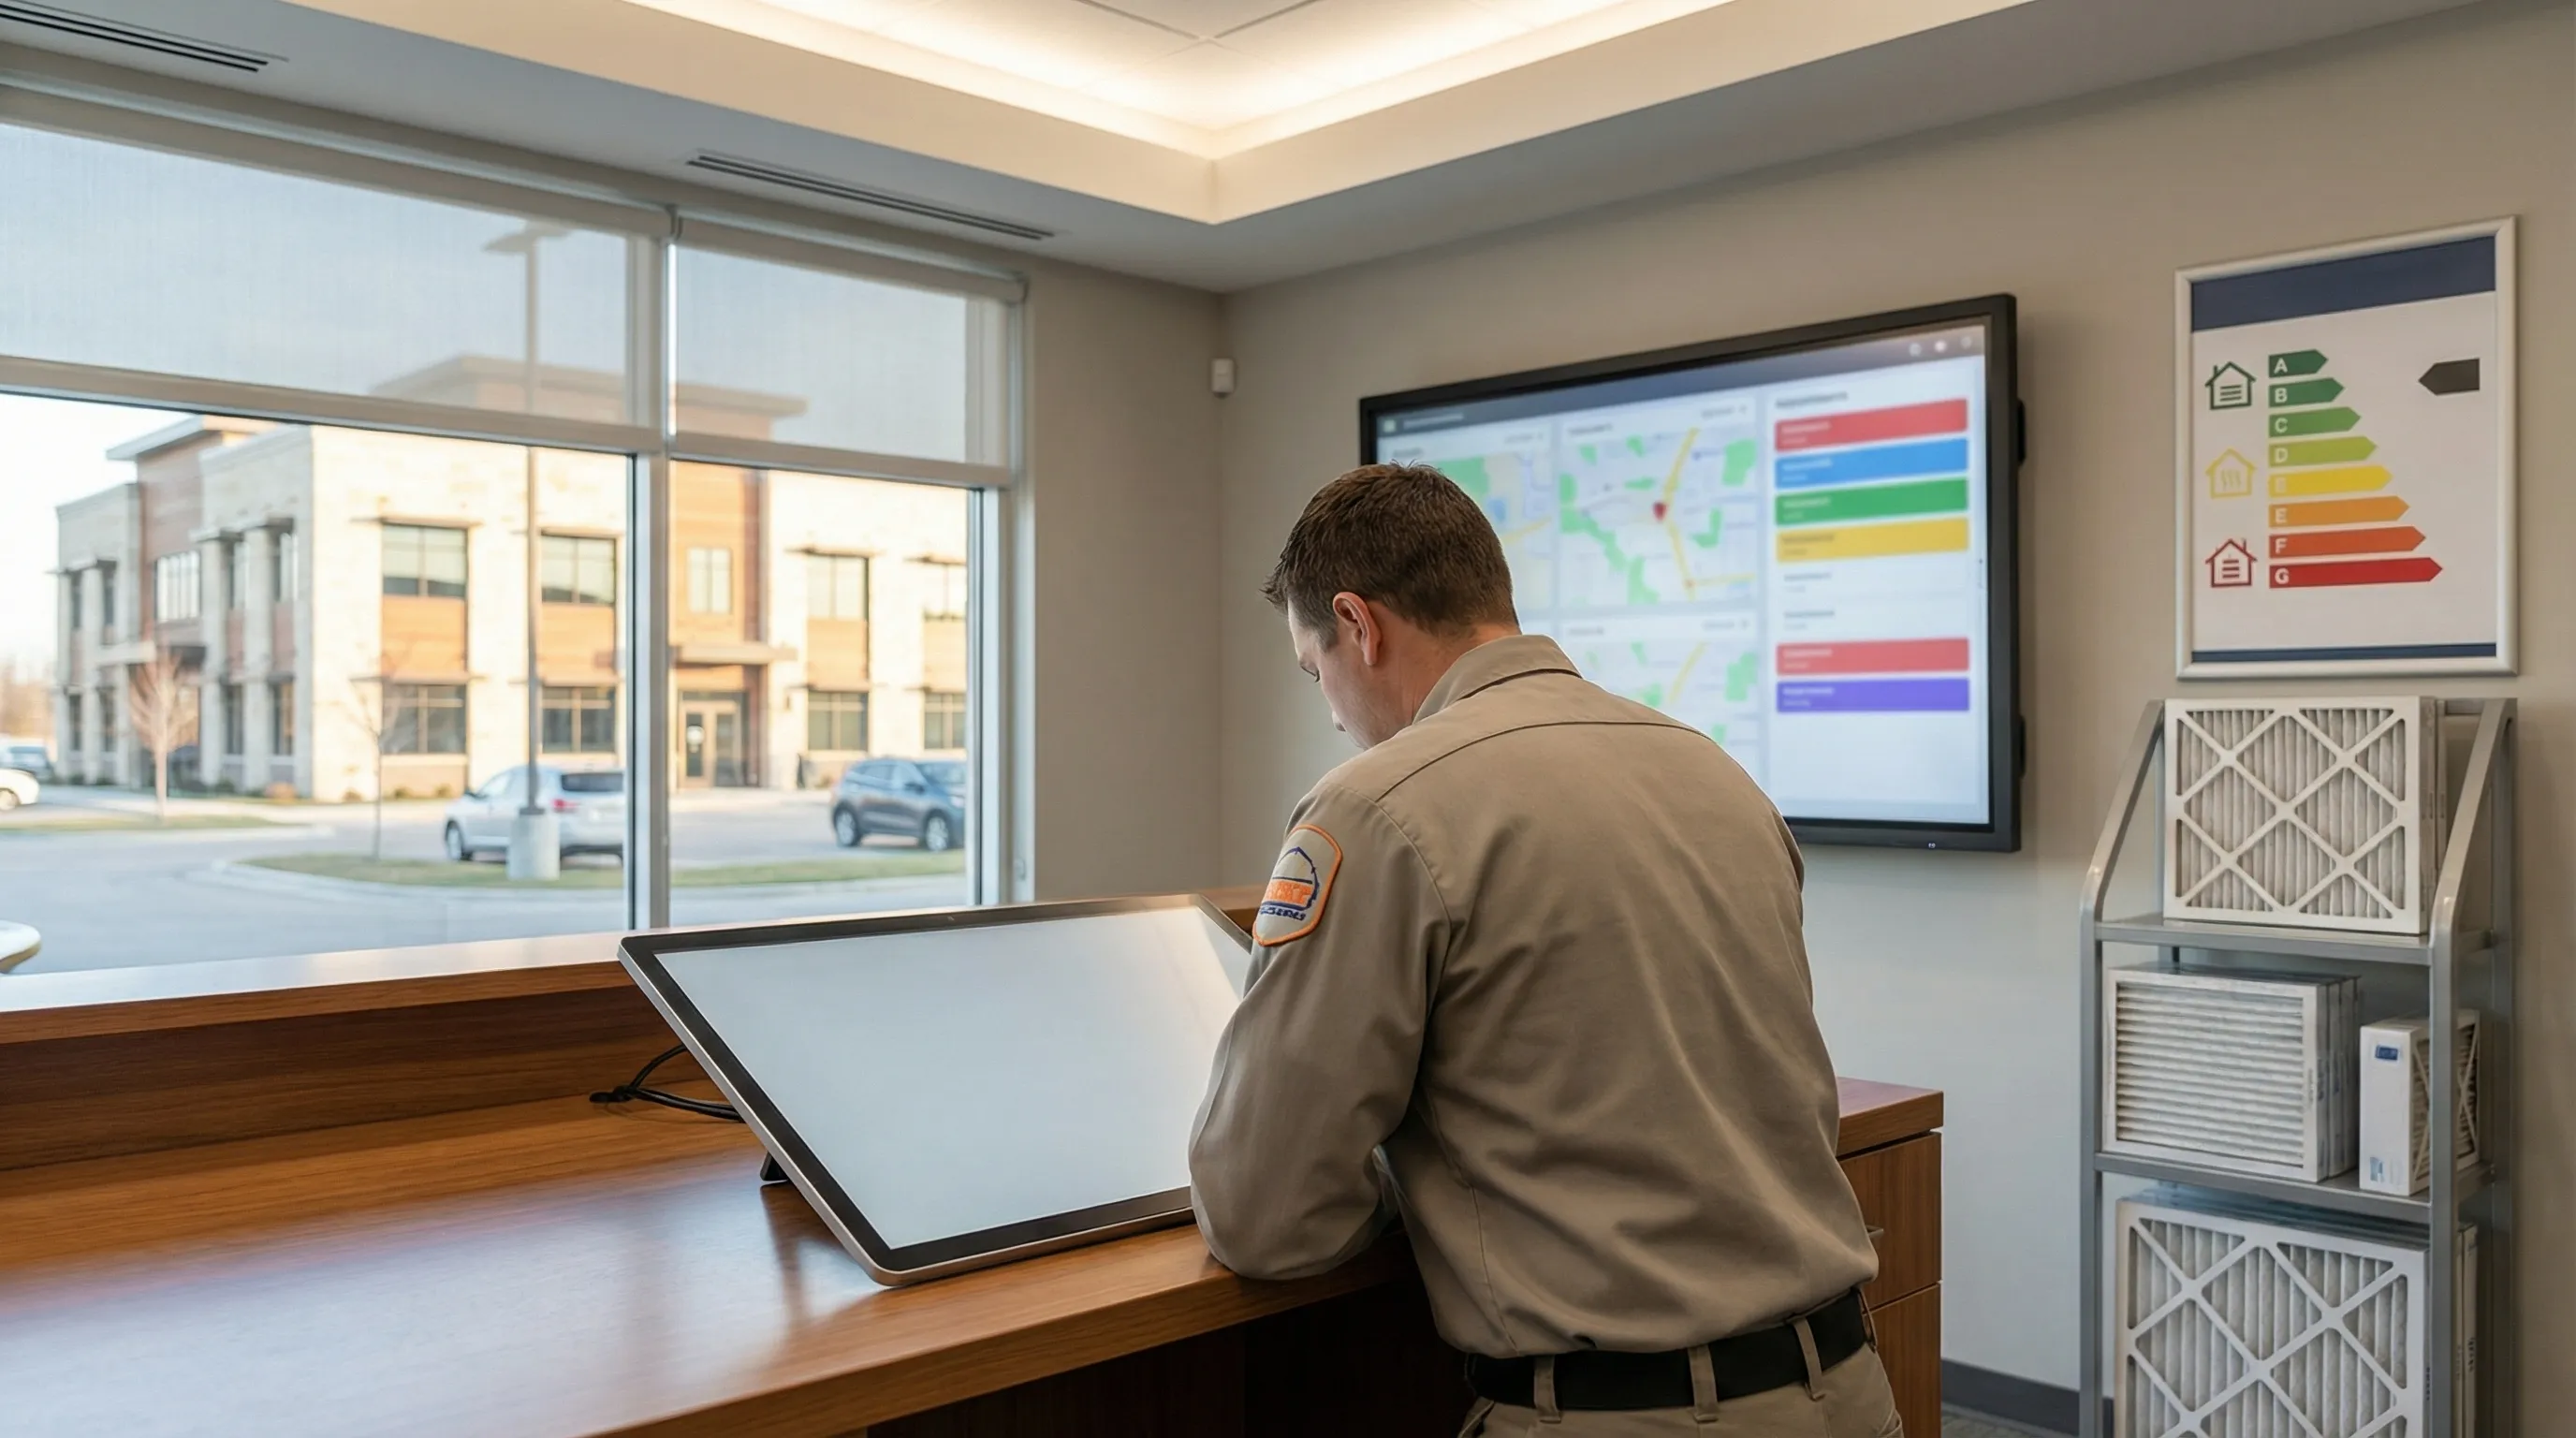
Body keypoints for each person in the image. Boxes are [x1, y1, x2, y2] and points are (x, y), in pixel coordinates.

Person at [1189, 463, 1900, 1436]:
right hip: (1845, 1391)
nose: (1332, 713)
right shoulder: (1711, 768)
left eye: (1317, 672)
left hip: (1625, 1414)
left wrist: (1415, 1194)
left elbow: (1263, 1212)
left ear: (1358, 624)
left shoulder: (1378, 805)